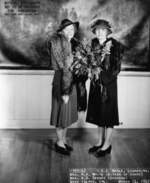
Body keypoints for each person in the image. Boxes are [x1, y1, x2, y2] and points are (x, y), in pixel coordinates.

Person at [86, 19, 123, 157]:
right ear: (95, 31)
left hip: (109, 85)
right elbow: (89, 63)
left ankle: (107, 144)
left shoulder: (116, 46)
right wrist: (90, 70)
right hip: (96, 84)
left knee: (108, 114)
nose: (100, 32)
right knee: (98, 113)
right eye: (97, 30)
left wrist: (103, 77)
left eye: (103, 30)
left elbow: (116, 68)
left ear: (107, 31)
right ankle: (99, 142)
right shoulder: (93, 44)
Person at [50, 19, 79, 155]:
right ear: (61, 31)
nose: (70, 32)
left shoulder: (70, 43)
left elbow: (73, 67)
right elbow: (64, 67)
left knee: (66, 115)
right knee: (60, 114)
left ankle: (63, 141)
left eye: (72, 29)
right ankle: (59, 143)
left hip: (70, 80)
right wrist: (65, 91)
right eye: (67, 29)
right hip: (62, 80)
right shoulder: (57, 42)